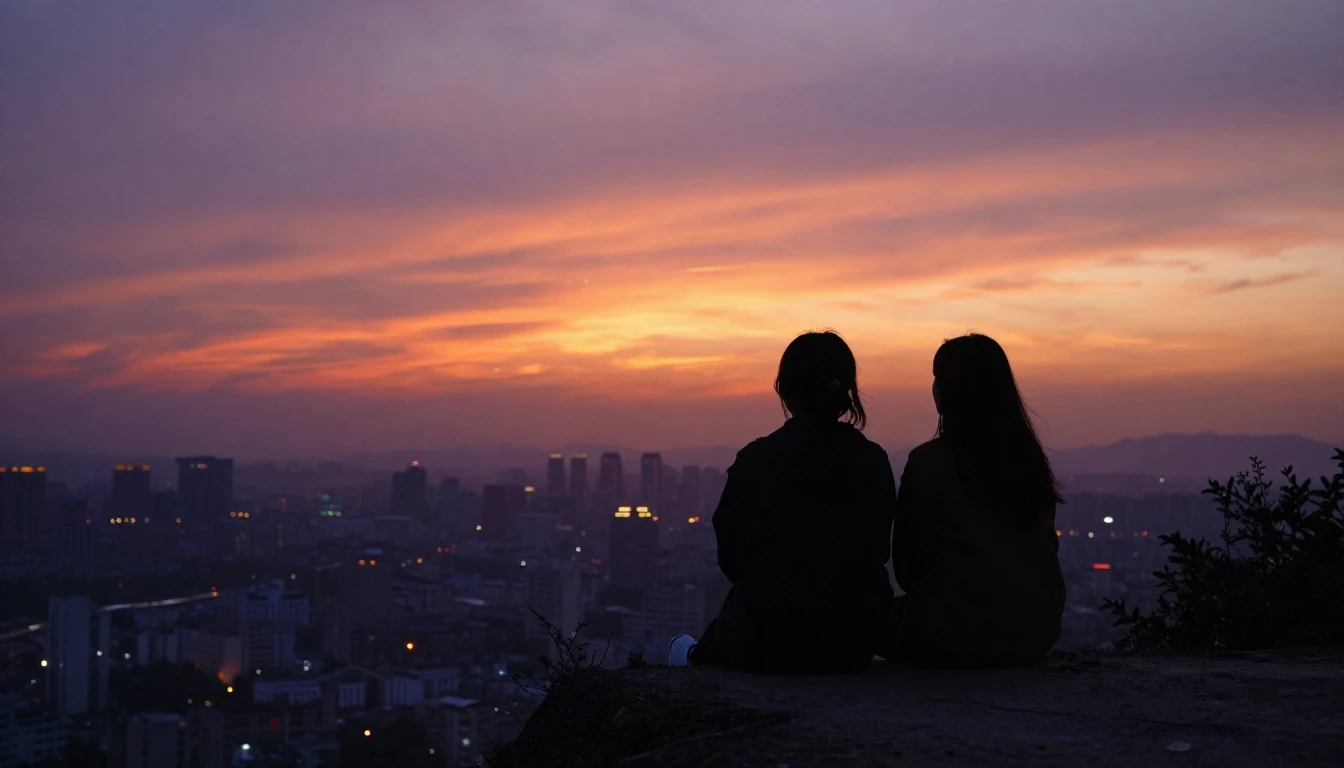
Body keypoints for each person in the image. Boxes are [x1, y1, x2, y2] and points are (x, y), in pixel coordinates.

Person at [667, 330, 897, 673]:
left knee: (688, 649)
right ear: (845, 389)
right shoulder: (874, 461)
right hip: (852, 639)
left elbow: (732, 560)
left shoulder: (757, 461)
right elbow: (879, 551)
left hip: (768, 637)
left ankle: (692, 657)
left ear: (785, 391)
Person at [878, 333, 1066, 667]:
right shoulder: (1028, 462)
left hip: (954, 634)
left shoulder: (929, 462)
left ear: (947, 392)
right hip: (1035, 632)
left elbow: (907, 570)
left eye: (937, 378)